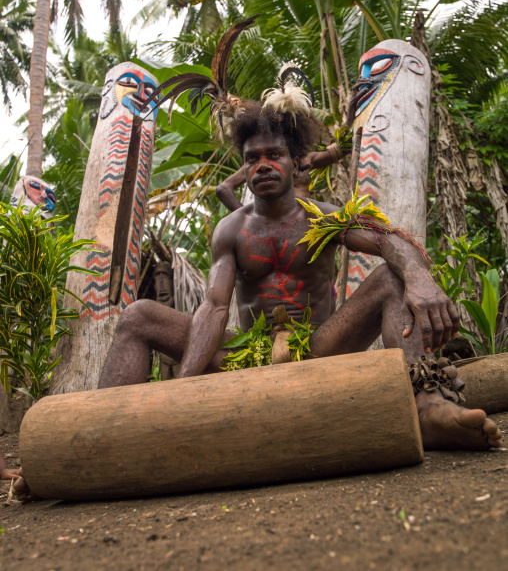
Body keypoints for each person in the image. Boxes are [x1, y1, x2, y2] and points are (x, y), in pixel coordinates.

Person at [99, 101, 502, 452]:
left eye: (274, 154)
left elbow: (389, 240)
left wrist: (420, 278)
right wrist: (183, 387)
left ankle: (426, 406)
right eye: (252, 158)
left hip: (320, 345)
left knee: (392, 278)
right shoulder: (232, 230)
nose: (263, 165)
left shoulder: (323, 216)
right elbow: (215, 306)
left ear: (295, 161)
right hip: (243, 354)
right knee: (138, 316)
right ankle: (100, 430)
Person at [215, 143, 348, 212]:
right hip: (273, 225)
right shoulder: (259, 162)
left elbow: (343, 148)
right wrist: (248, 218)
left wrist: (354, 112)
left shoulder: (306, 158)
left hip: (306, 222)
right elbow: (223, 188)